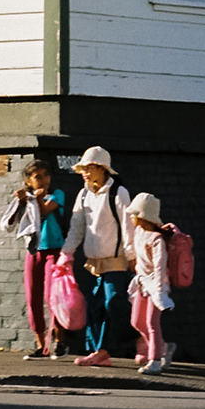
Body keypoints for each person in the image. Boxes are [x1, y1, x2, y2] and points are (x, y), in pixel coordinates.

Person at [58, 145, 135, 367]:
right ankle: (99, 351)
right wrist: (67, 254)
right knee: (94, 306)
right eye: (83, 168)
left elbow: (127, 226)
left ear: (102, 169)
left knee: (113, 302)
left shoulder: (118, 193)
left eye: (89, 168)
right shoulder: (83, 195)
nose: (84, 172)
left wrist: (131, 256)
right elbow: (77, 228)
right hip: (93, 262)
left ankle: (137, 336)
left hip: (116, 260)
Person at [0, 158, 69, 359]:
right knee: (33, 298)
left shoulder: (57, 194)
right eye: (38, 177)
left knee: (54, 296)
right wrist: (21, 201)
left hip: (55, 251)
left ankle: (60, 341)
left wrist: (37, 199)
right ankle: (41, 346)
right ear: (28, 180)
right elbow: (9, 224)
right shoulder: (26, 198)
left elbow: (46, 211)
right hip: (34, 251)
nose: (44, 180)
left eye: (46, 175)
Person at [125, 192, 173, 375]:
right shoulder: (138, 233)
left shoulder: (156, 239)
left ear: (142, 216)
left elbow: (160, 267)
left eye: (134, 213)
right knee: (137, 321)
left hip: (156, 286)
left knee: (152, 323)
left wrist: (159, 291)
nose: (131, 217)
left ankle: (154, 360)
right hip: (142, 284)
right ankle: (163, 347)